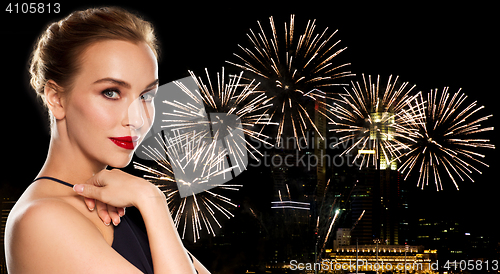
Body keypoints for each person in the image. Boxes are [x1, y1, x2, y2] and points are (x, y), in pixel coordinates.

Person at [5, 6, 210, 273]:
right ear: (56, 97)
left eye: (146, 96)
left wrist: (147, 203)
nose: (137, 119)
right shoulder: (40, 220)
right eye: (111, 92)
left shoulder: (123, 206)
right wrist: (151, 199)